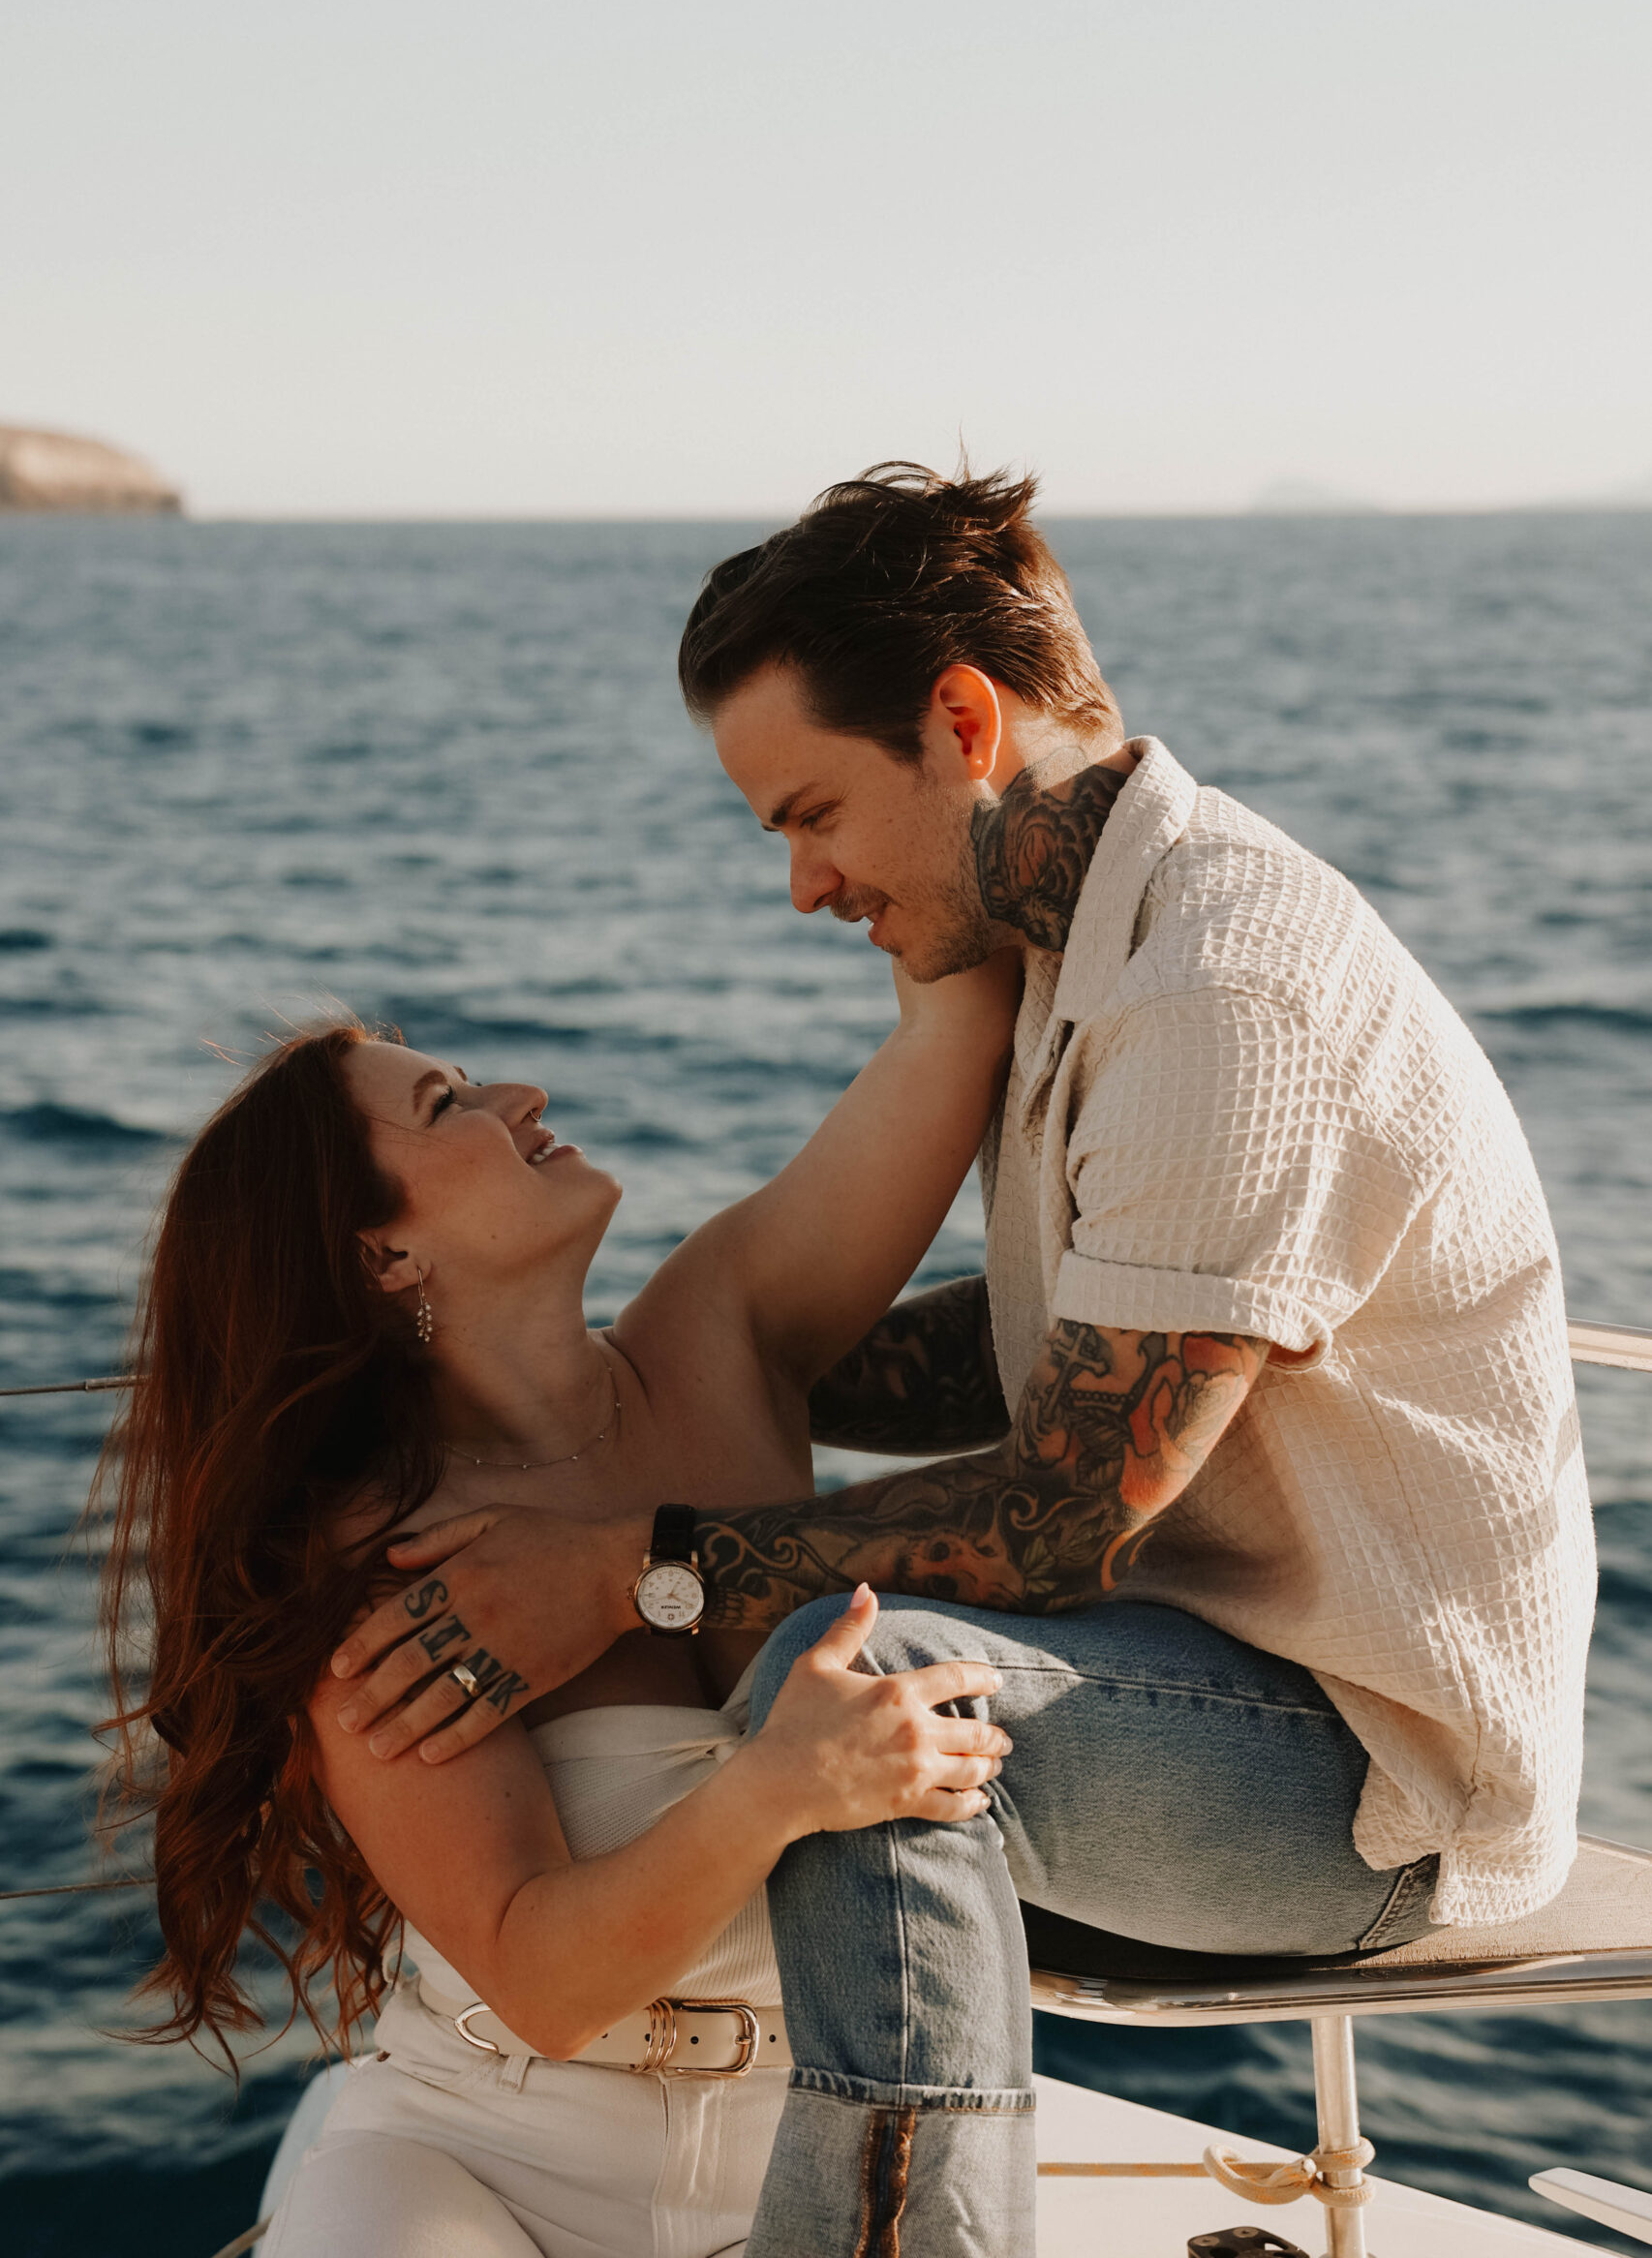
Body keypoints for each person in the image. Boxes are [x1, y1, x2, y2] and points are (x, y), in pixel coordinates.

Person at [336, 462, 1598, 2256]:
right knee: (848, 1677)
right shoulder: (1082, 933)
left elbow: (1071, 1511)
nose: (801, 885)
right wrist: (679, 1381)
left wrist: (632, 1563)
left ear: (958, 719)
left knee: (861, 1687)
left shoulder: (1214, 993)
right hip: (1210, 1667)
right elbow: (1057, 1351)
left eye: (816, 812)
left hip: (1377, 1774)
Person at [98, 951, 1025, 2258]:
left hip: (809, 2131)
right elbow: (542, 1979)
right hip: (485, 2160)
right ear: (383, 1252)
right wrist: (776, 1788)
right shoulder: (377, 1556)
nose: (519, 1094)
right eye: (445, 1106)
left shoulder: (724, 1330)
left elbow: (950, 1029)